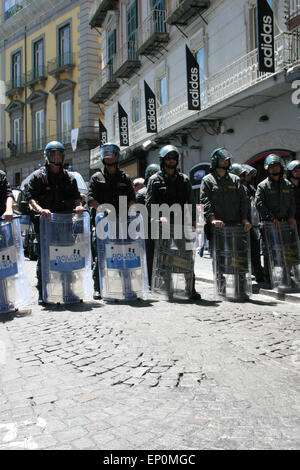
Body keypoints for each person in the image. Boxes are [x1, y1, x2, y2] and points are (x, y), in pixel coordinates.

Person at [25, 141, 85, 304]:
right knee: (44, 257)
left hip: (65, 223)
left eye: (59, 154)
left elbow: (76, 198)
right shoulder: (38, 176)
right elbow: (30, 198)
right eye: (53, 154)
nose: (56, 157)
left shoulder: (69, 177)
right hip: (45, 224)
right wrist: (40, 210)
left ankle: (68, 288)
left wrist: (79, 206)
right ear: (47, 156)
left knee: (67, 256)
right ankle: (43, 291)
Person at [145, 145, 201, 300]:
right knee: (165, 257)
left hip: (182, 225)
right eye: (168, 158)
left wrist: (194, 220)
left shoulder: (184, 179)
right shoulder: (154, 180)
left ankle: (190, 288)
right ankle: (167, 288)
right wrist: (158, 217)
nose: (171, 161)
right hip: (163, 226)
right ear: (163, 161)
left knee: (186, 257)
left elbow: (191, 201)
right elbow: (150, 203)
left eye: (174, 158)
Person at [200, 148, 252, 299]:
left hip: (236, 226)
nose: (226, 162)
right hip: (218, 227)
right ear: (216, 161)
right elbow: (205, 201)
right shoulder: (207, 180)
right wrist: (212, 219)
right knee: (220, 258)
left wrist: (245, 219)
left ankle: (241, 288)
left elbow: (243, 201)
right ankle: (221, 289)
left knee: (239, 256)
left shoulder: (235, 179)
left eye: (227, 160)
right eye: (223, 159)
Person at [87, 142, 136, 300]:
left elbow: (132, 199)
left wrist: (131, 211)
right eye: (105, 153)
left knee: (123, 254)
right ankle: (98, 288)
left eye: (111, 153)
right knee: (102, 255)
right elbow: (91, 199)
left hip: (123, 223)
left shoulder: (125, 177)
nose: (108, 156)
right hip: (103, 223)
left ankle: (126, 285)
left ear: (117, 156)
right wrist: (102, 209)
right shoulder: (96, 177)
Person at [255, 154, 296, 285]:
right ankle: (269, 278)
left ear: (281, 167)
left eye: (277, 166)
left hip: (284, 224)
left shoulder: (287, 184)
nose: (274, 168)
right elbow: (259, 204)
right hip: (269, 224)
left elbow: (292, 203)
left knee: (286, 250)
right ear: (268, 169)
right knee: (269, 251)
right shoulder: (263, 185)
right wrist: (271, 217)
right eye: (272, 167)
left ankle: (286, 276)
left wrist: (291, 217)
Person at [230, 163, 264, 283]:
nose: (249, 176)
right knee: (242, 252)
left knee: (254, 250)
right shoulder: (236, 189)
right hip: (241, 225)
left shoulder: (251, 189)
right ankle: (242, 276)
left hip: (252, 224)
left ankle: (259, 273)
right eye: (246, 174)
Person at [136, 163, 160, 285]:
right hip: (157, 228)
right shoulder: (160, 190)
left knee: (148, 255)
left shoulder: (140, 193)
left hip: (146, 229)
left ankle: (150, 281)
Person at [286, 160, 300, 236]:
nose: (298, 172)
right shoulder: (285, 186)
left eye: (299, 170)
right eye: (295, 171)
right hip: (290, 220)